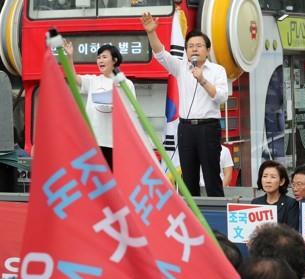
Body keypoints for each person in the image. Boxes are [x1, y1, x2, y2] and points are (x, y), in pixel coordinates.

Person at [141, 12, 228, 197]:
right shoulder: (181, 67)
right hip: (186, 128)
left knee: (212, 175)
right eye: (190, 46)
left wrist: (202, 79)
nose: (194, 49)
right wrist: (151, 33)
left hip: (208, 127)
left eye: (198, 46)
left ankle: (216, 220)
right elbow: (160, 54)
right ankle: (193, 218)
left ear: (207, 49)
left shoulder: (217, 70)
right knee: (188, 177)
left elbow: (221, 97)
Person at [63, 42, 136, 170]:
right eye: (98, 58)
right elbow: (73, 78)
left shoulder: (125, 83)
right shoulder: (93, 81)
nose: (100, 60)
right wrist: (69, 57)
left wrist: (118, 109)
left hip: (115, 143)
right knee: (95, 181)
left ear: (115, 60)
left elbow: (132, 111)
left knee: (113, 180)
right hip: (93, 142)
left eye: (104, 57)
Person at [251, 160, 299, 230]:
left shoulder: (291, 204)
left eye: (273, 177)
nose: (268, 181)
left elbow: (292, 232)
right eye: (265, 176)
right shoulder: (255, 203)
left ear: (282, 181)